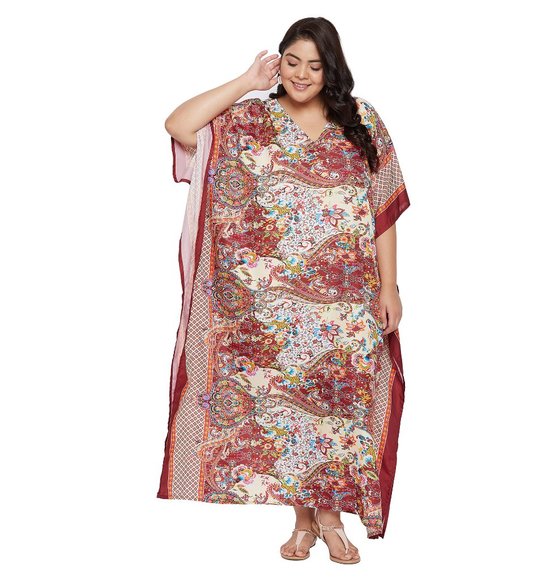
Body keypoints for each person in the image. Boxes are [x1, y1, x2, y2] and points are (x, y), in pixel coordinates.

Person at [158, 16, 410, 565]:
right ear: (279, 62)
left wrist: (390, 287)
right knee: (291, 416)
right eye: (292, 62)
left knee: (340, 410)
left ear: (331, 69)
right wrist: (247, 81)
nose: (301, 74)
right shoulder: (253, 119)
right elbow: (179, 124)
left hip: (348, 304)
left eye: (314, 66)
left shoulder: (361, 121)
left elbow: (383, 210)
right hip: (275, 312)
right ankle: (302, 522)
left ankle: (332, 520)